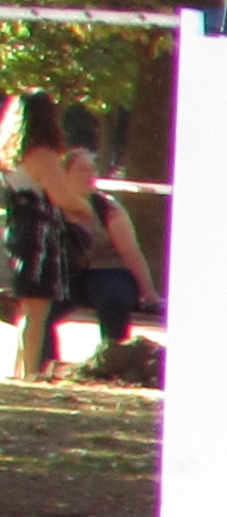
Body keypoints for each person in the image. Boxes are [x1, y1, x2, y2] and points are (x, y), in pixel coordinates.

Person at [7, 98, 156, 380]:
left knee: (29, 311)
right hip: (39, 238)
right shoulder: (43, 155)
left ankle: (22, 370)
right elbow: (61, 196)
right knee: (38, 313)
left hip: (20, 234)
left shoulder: (13, 156)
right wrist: (84, 209)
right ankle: (30, 373)